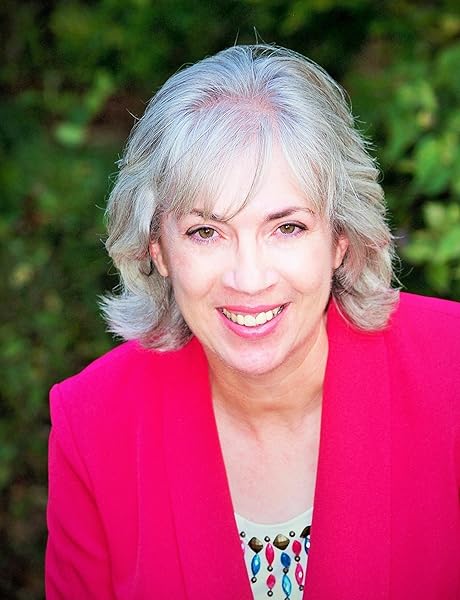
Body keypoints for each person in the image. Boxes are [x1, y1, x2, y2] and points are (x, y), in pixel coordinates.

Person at [45, 44, 460, 600]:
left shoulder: (452, 370)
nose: (248, 278)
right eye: (206, 232)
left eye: (286, 227)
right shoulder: (92, 425)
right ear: (157, 250)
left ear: (339, 238)